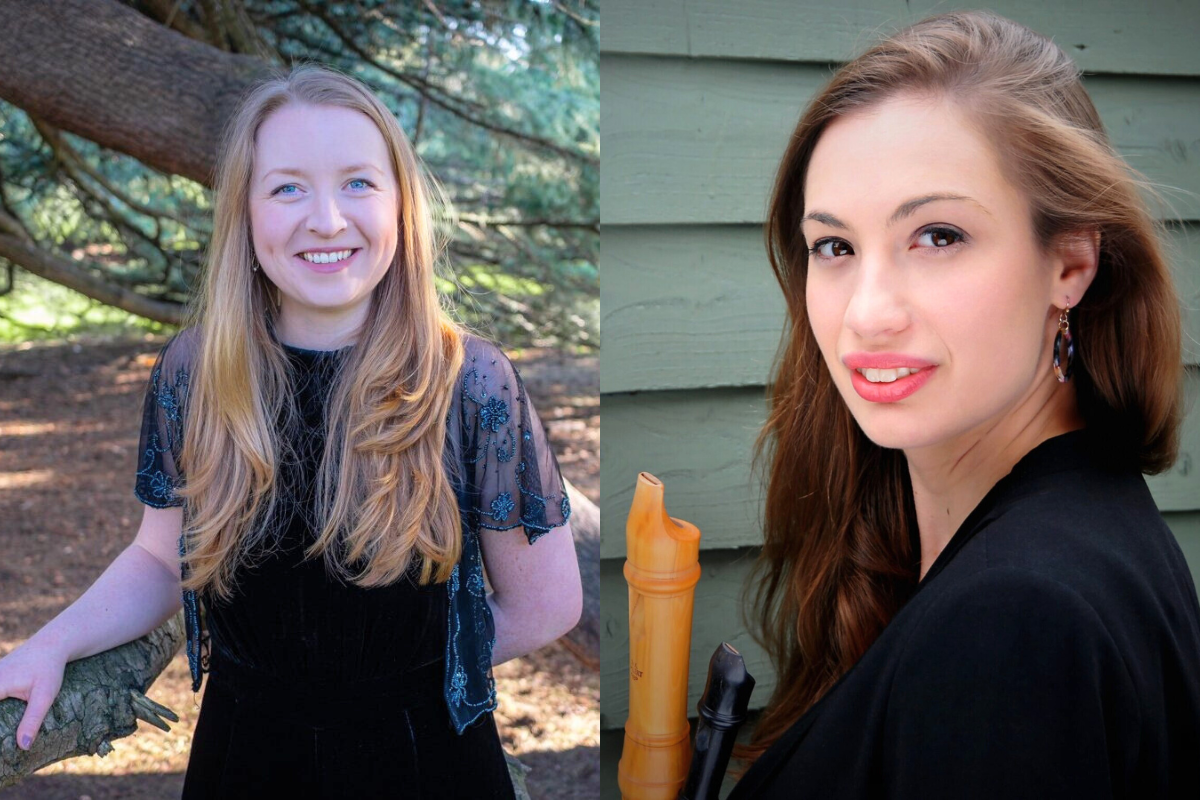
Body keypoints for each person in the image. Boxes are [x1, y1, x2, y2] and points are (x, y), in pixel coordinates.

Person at [0, 63, 582, 798]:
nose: (328, 219)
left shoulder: (469, 384)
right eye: (287, 187)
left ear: (403, 202)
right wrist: (49, 646)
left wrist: (384, 683)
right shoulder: (195, 372)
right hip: (243, 756)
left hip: (423, 758)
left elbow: (547, 602)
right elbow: (158, 557)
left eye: (359, 183)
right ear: (244, 211)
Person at [726, 11, 1200, 798]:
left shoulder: (1018, 621)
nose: (868, 313)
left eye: (938, 235)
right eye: (835, 247)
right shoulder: (1078, 521)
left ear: (1071, 265)